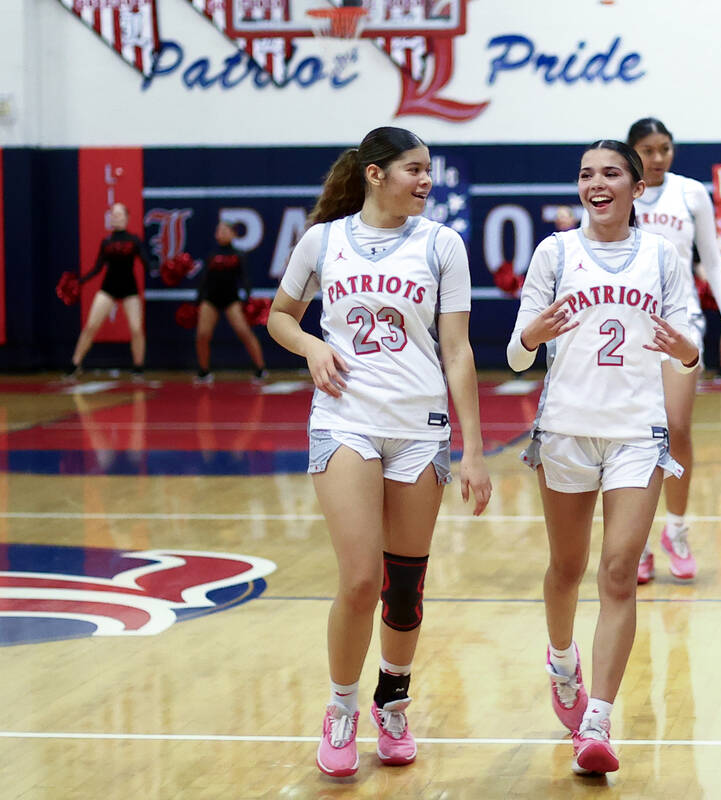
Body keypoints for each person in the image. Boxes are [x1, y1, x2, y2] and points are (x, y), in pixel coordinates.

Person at [266, 126, 492, 777]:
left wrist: (473, 450)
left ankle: (393, 699)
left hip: (420, 430)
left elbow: (457, 351)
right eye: (414, 170)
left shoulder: (442, 245)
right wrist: (311, 346)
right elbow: (281, 315)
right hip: (345, 423)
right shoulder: (323, 240)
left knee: (403, 587)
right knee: (360, 578)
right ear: (374, 173)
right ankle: (341, 710)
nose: (426, 181)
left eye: (429, 171)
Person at [508, 139, 698, 775]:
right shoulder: (554, 253)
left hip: (636, 433)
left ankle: (598, 723)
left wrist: (690, 350)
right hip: (564, 430)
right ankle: (563, 661)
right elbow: (514, 353)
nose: (597, 182)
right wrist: (533, 335)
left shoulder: (662, 256)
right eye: (587, 173)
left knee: (618, 571)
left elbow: (686, 346)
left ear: (635, 188)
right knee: (567, 567)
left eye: (611, 173)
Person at [627, 117, 721, 583]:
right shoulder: (618, 189)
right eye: (648, 149)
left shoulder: (691, 193)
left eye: (664, 148)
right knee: (636, 436)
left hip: (681, 323)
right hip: (629, 327)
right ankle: (636, 541)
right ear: (631, 151)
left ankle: (675, 530)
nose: (657, 157)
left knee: (676, 428)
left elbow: (713, 261)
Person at [66, 203, 157, 380]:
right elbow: (98, 268)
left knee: (136, 329)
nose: (116, 217)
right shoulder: (106, 242)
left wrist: (157, 266)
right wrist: (81, 281)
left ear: (126, 218)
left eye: (119, 214)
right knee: (91, 325)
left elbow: (146, 263)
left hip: (130, 289)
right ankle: (75, 364)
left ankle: (138, 367)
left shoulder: (134, 240)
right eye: (113, 215)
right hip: (108, 288)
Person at [194, 221, 268, 384]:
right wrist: (198, 298)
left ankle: (260, 368)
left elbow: (245, 278)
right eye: (219, 230)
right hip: (210, 299)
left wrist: (248, 297)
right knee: (202, 334)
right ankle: (203, 371)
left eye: (225, 230)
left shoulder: (238, 255)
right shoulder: (212, 255)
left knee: (244, 332)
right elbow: (204, 278)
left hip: (231, 300)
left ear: (233, 234)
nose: (222, 232)